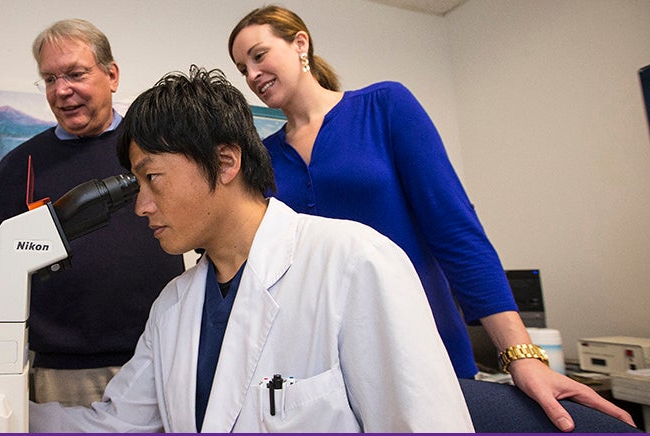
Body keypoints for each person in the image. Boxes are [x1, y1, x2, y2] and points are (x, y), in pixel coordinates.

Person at [227, 5, 635, 432]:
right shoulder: (265, 159)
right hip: (320, 371)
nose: (252, 74)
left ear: (300, 43)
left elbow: (454, 230)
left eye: (259, 55)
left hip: (425, 346)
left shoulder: (384, 107)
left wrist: (521, 355)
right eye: (242, 67)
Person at [28, 66, 474, 433]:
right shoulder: (174, 306)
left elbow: (425, 425)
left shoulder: (355, 261)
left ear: (225, 163)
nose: (142, 207)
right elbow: (114, 425)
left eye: (153, 179)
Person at [0, 18, 184, 407]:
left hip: (162, 359)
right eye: (49, 79)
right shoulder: (23, 163)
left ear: (112, 75)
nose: (62, 90)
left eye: (75, 74)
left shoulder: (155, 148)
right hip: (64, 376)